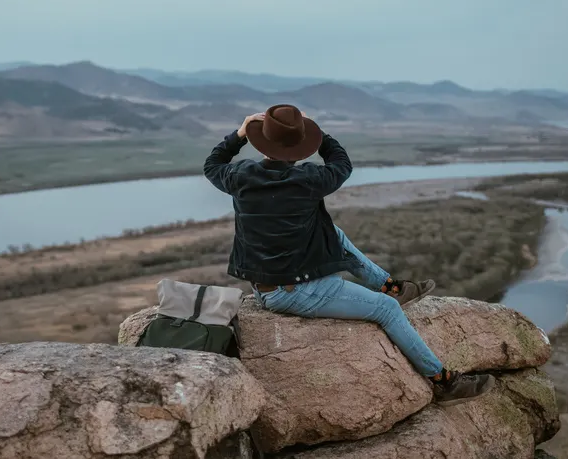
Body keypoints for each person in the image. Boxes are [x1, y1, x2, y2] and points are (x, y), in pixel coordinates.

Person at [203, 104, 495, 406]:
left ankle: (390, 286)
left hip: (266, 286)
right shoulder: (309, 179)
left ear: (260, 141)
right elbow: (341, 163)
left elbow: (212, 164)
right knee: (387, 310)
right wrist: (317, 133)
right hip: (296, 291)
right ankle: (442, 381)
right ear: (300, 147)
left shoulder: (240, 175)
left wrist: (239, 134)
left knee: (334, 232)